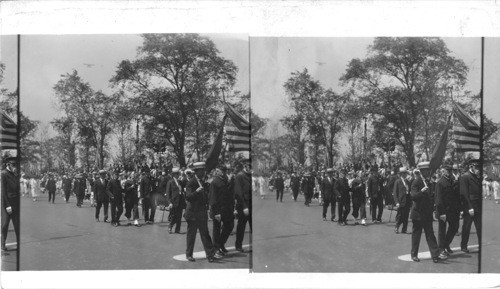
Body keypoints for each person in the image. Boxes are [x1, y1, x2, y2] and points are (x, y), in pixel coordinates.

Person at [184, 162, 221, 262]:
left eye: (203, 170)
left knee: (205, 234)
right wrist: (196, 192)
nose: (203, 172)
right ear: (197, 171)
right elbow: (188, 197)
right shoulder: (191, 182)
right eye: (201, 170)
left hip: (201, 212)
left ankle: (210, 255)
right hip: (192, 213)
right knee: (191, 235)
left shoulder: (203, 181)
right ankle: (189, 254)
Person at [409, 163, 447, 263]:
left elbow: (432, 198)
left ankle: (435, 255)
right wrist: (421, 192)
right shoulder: (416, 182)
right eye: (425, 170)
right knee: (416, 235)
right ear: (421, 171)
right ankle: (414, 255)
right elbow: (413, 197)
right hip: (417, 213)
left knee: (430, 234)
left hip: (427, 213)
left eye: (428, 170)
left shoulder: (430, 183)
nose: (427, 172)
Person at [435, 164, 460, 255]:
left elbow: (455, 196)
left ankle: (446, 244)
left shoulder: (452, 180)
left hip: (452, 210)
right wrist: (441, 213)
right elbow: (438, 199)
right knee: (442, 231)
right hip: (443, 211)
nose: (449, 172)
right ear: (443, 171)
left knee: (454, 227)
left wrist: (457, 182)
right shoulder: (440, 182)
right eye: (447, 170)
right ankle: (441, 248)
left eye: (450, 170)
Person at [209, 164, 234, 255]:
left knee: (229, 226)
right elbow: (213, 198)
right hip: (218, 210)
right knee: (216, 230)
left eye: (224, 171)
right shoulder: (214, 182)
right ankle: (216, 249)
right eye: (221, 171)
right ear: (217, 171)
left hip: (227, 209)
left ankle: (221, 244)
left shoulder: (226, 180)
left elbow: (230, 195)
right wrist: (216, 212)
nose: (223, 173)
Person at [460, 158, 481, 253]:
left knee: (479, 227)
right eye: (476, 167)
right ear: (471, 166)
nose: (478, 169)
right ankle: (464, 246)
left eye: (478, 167)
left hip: (478, 206)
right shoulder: (465, 176)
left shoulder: (477, 176)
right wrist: (469, 207)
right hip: (470, 206)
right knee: (467, 227)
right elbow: (464, 193)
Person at [1, 156, 20, 252]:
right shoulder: (3, 174)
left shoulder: (15, 174)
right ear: (8, 165)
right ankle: (2, 244)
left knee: (17, 225)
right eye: (13, 165)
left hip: (16, 203)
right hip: (7, 204)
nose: (15, 166)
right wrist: (7, 205)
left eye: (15, 165)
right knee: (5, 224)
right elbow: (3, 192)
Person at [234, 158, 252, 252]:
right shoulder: (240, 176)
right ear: (245, 166)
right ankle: (238, 245)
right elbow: (239, 193)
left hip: (251, 204)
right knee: (241, 226)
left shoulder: (250, 175)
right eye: (249, 166)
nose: (251, 168)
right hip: (243, 205)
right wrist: (245, 207)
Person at [166, 167, 185, 233]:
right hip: (174, 202)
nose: (178, 175)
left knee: (179, 216)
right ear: (174, 175)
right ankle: (170, 226)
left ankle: (177, 229)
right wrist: (169, 202)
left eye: (178, 174)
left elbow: (181, 191)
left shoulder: (180, 182)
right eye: (176, 174)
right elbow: (168, 194)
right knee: (174, 215)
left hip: (180, 200)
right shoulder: (170, 182)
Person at [393, 167, 412, 234]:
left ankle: (404, 229)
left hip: (407, 200)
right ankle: (396, 227)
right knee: (400, 215)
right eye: (403, 173)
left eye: (405, 173)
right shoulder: (398, 181)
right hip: (401, 201)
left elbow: (409, 192)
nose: (405, 175)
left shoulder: (408, 182)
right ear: (401, 174)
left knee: (406, 216)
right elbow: (395, 193)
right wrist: (396, 202)